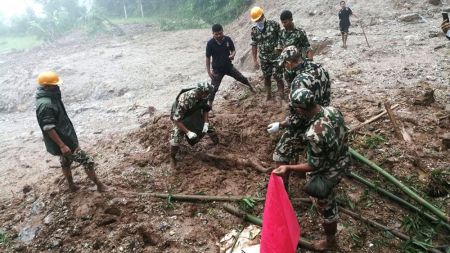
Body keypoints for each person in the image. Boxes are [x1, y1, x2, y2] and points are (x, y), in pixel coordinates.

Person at [273, 88, 351, 251]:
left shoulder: (314, 133)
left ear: (301, 109)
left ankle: (330, 241)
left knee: (327, 207)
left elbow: (314, 165)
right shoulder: (332, 110)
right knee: (323, 197)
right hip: (343, 158)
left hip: (329, 171)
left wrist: (288, 167)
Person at [267, 46, 331, 191]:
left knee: (280, 153)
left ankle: (282, 192)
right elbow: (327, 96)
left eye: (284, 64)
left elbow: (297, 117)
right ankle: (302, 170)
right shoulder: (321, 69)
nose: (285, 68)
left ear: (289, 63)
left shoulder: (298, 82)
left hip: (307, 123)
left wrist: (281, 124)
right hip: (324, 118)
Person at [35, 71, 106, 192]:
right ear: (46, 86)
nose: (57, 86)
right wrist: (62, 145)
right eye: (54, 84)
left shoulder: (51, 96)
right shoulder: (46, 104)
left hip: (65, 137)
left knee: (65, 161)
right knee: (87, 160)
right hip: (64, 141)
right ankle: (100, 185)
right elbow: (48, 127)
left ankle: (71, 186)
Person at [169, 82, 219, 168]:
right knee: (175, 140)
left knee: (210, 129)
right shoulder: (186, 99)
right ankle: (172, 157)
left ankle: (217, 144)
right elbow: (177, 120)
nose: (208, 95)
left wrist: (206, 123)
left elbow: (205, 109)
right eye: (207, 93)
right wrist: (188, 132)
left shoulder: (203, 95)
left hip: (194, 112)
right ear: (201, 92)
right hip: (182, 117)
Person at [206, 24, 255, 108]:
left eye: (220, 33)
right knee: (213, 89)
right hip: (217, 70)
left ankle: (252, 88)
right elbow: (207, 58)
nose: (218, 36)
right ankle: (209, 106)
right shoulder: (210, 43)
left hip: (229, 67)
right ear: (212, 34)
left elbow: (233, 50)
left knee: (241, 78)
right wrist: (209, 72)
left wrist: (232, 55)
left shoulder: (228, 40)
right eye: (216, 34)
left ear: (222, 31)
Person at [250, 6, 285, 101]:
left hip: (276, 55)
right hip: (264, 57)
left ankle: (281, 94)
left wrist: (279, 47)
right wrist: (255, 60)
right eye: (256, 20)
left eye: (259, 19)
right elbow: (254, 45)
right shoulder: (254, 30)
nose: (258, 21)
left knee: (278, 76)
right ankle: (268, 95)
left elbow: (281, 37)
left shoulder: (274, 25)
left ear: (263, 15)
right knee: (267, 76)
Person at [278, 10, 314, 84]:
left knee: (301, 84)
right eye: (282, 22)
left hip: (299, 65)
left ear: (291, 19)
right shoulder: (281, 33)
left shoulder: (300, 32)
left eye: (285, 22)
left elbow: (307, 47)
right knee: (291, 86)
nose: (283, 24)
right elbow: (280, 48)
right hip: (288, 67)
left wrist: (310, 62)